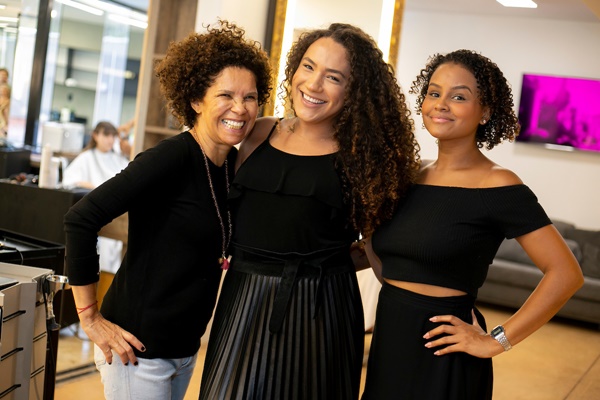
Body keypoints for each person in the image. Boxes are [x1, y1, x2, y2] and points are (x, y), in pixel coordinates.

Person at [199, 23, 420, 400]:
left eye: (333, 77)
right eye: (308, 66)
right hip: (243, 299)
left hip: (323, 310)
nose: (314, 85)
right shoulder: (256, 133)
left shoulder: (363, 161)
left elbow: (378, 250)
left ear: (355, 91)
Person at [63, 20, 272, 400]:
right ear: (196, 100)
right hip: (137, 351)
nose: (240, 109)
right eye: (225, 95)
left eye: (251, 97)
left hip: (184, 349)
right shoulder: (169, 158)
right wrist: (89, 318)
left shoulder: (230, 165)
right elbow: (81, 219)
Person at [361, 49, 584, 400]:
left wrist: (496, 340)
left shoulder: (499, 185)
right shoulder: (407, 175)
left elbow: (566, 274)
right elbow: (387, 261)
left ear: (486, 112)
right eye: (434, 93)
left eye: (459, 96)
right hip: (390, 343)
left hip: (445, 354)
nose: (441, 104)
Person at [63, 120, 131, 273]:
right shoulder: (87, 157)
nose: (110, 140)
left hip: (118, 215)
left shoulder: (118, 159)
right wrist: (98, 189)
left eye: (112, 136)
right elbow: (70, 180)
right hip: (95, 210)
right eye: (106, 135)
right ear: (95, 135)